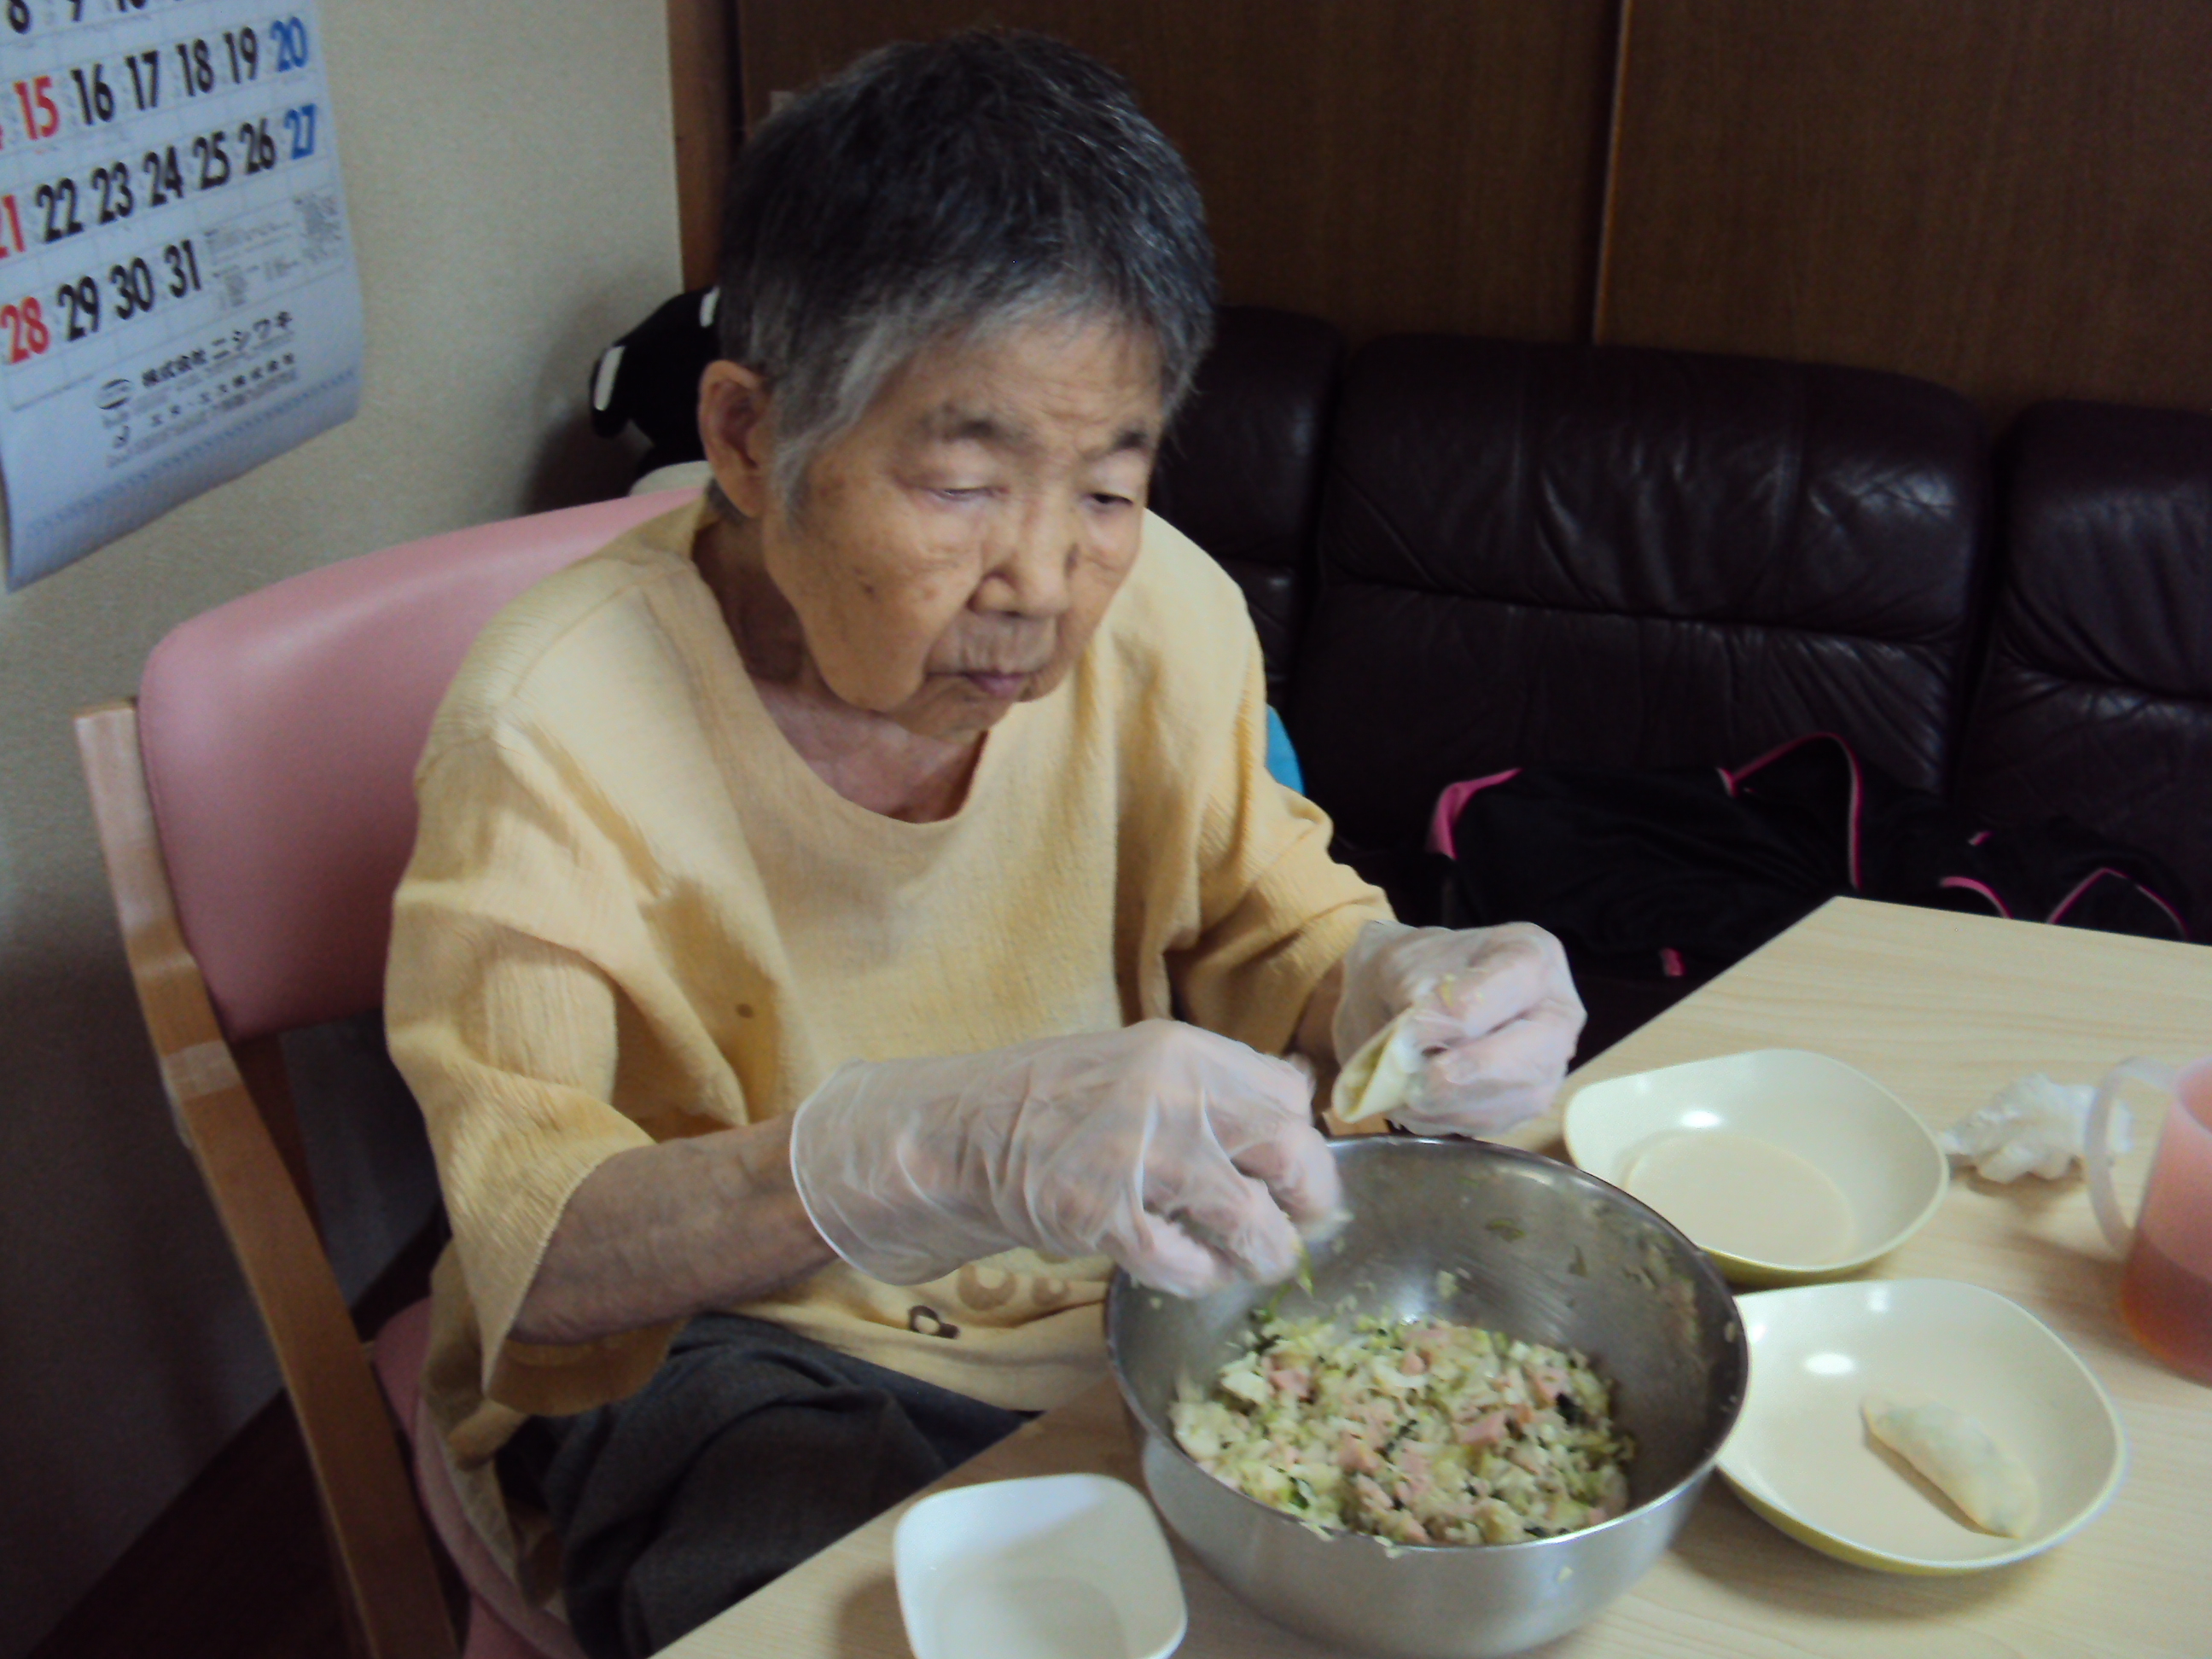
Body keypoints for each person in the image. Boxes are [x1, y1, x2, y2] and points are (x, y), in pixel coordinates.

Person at [386, 30, 1584, 1659]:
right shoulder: (550, 729)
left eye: (1108, 486)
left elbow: (1267, 920)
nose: (1043, 582)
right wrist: (919, 1151)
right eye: (961, 483)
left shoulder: (1167, 614)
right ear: (748, 439)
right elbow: (538, 1257)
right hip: (743, 1345)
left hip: (1121, 1297)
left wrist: (1396, 980)